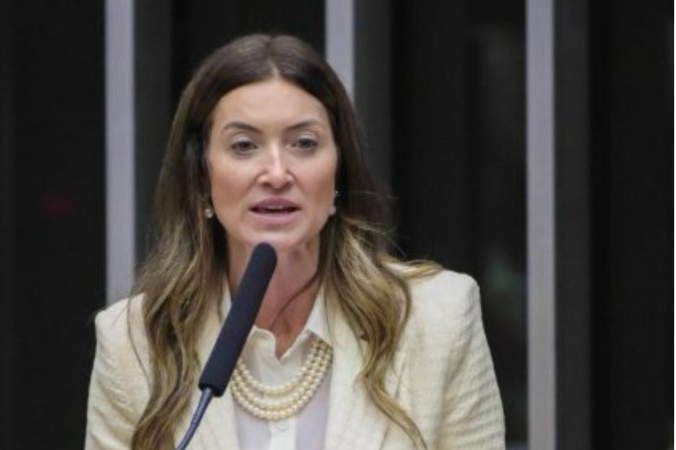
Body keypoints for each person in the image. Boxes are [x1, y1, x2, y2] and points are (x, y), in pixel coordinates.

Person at [85, 34, 505, 450]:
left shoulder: (437, 320)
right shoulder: (134, 344)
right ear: (201, 176)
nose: (276, 173)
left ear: (338, 172)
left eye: (304, 144)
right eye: (244, 146)